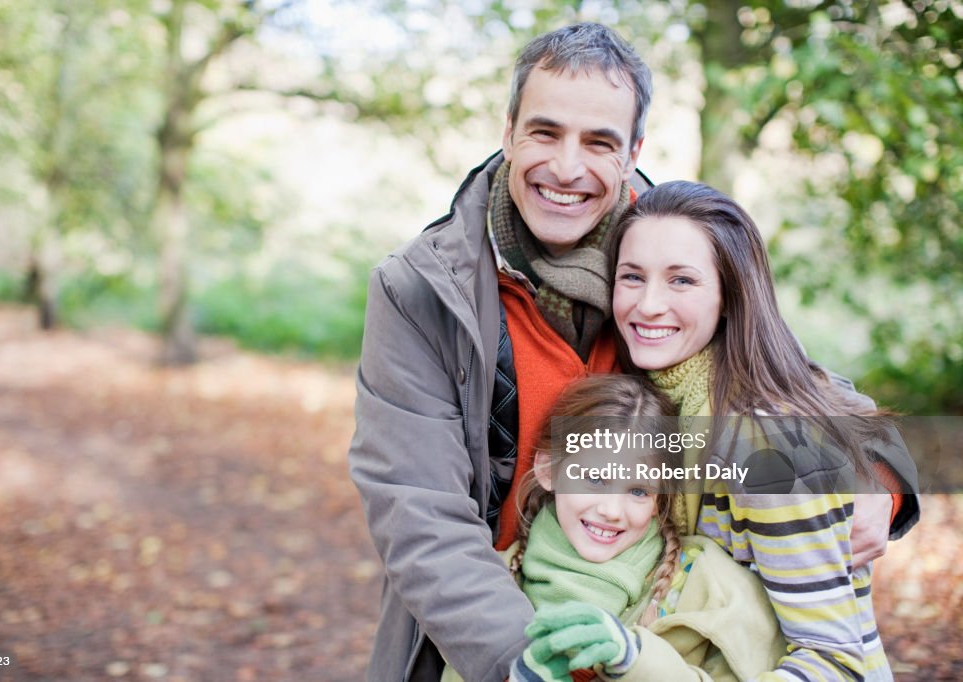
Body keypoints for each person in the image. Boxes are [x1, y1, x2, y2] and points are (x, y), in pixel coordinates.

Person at [348, 23, 917, 682]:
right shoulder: (419, 289)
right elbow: (418, 511)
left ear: (632, 151)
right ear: (507, 133)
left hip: (667, 633)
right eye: (544, 132)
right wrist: (522, 663)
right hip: (495, 632)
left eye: (598, 142)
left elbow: (784, 372)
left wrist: (878, 477)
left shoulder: (667, 245)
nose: (566, 168)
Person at [523, 179, 918, 680]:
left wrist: (883, 481)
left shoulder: (767, 451)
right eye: (632, 277)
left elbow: (838, 664)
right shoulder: (653, 395)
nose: (648, 305)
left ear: (730, 297)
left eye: (682, 281)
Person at [444, 374, 786, 682]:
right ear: (549, 469)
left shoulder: (707, 584)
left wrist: (635, 661)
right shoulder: (497, 582)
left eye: (638, 491)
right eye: (594, 478)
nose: (611, 511)